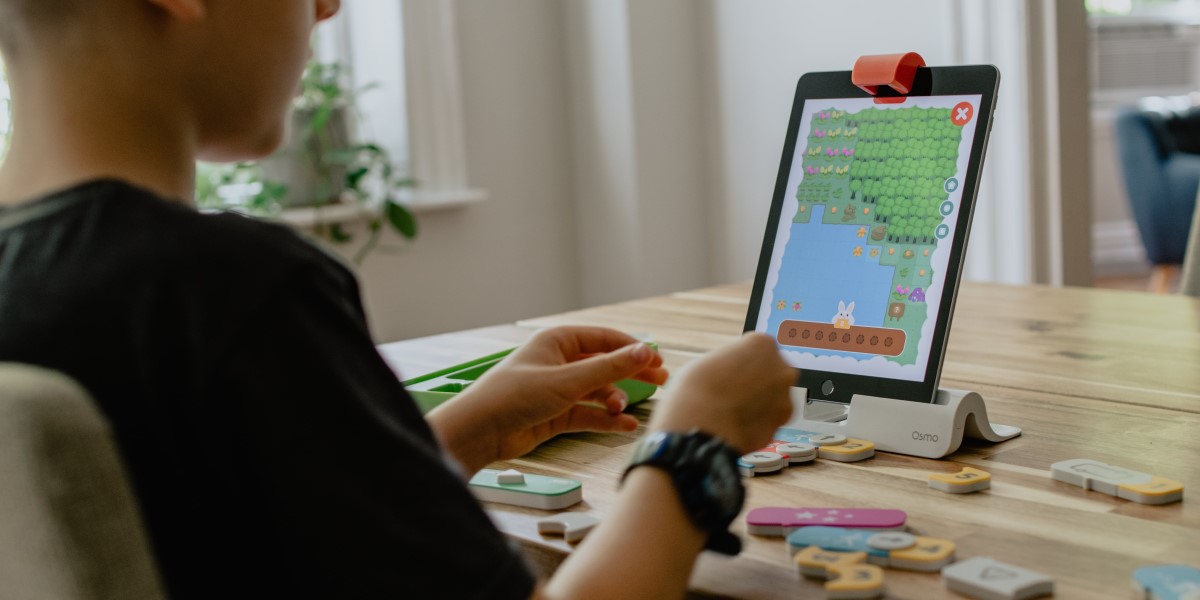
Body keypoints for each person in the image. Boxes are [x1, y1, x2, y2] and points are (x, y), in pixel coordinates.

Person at [0, 1, 796, 598]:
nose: (327, 7)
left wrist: (469, 427)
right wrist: (692, 446)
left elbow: (216, 522)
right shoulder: (231, 294)